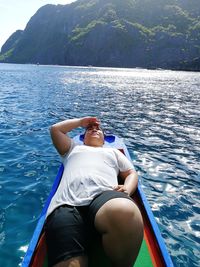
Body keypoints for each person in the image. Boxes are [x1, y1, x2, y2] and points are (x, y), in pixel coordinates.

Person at [45, 117, 143, 267]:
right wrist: (80, 122)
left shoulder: (113, 152)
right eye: (89, 129)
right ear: (83, 139)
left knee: (125, 211)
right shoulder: (72, 149)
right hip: (67, 202)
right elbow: (55, 130)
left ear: (104, 140)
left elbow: (131, 173)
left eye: (98, 130)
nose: (94, 130)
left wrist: (128, 188)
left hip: (103, 197)